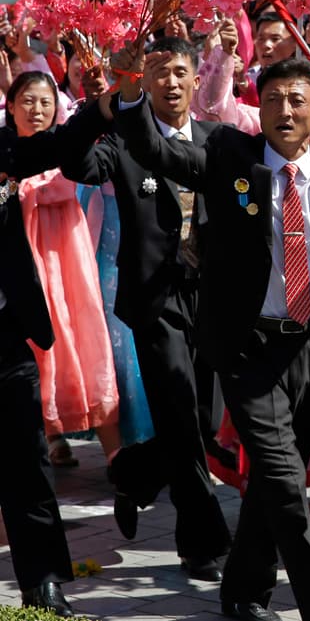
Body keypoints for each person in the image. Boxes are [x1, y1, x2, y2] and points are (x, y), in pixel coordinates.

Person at [104, 50, 310, 621]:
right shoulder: (227, 154)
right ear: (258, 107)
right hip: (247, 348)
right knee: (287, 484)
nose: (284, 110)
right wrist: (127, 96)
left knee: (278, 481)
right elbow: (158, 149)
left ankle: (244, 592)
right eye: (272, 99)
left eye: (298, 100)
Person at [60, 37, 231, 581]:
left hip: (208, 297)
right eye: (159, 72)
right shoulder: (124, 142)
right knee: (181, 415)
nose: (172, 82)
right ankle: (200, 541)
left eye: (181, 71)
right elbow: (78, 164)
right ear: (145, 81)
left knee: (204, 423)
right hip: (154, 300)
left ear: (196, 77)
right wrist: (103, 104)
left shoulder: (218, 140)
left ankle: (133, 471)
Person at [8, 72, 122, 466]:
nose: (36, 109)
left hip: (67, 264)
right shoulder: (9, 152)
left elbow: (64, 182)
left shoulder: (65, 152)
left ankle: (114, 451)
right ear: (9, 106)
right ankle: (52, 434)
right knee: (36, 347)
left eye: (45, 101)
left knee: (82, 340)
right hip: (28, 265)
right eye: (27, 100)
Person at [0, 112, 86, 618]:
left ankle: (45, 581)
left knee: (27, 462)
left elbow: (58, 143)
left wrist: (106, 103)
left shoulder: (6, 150)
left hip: (8, 335)